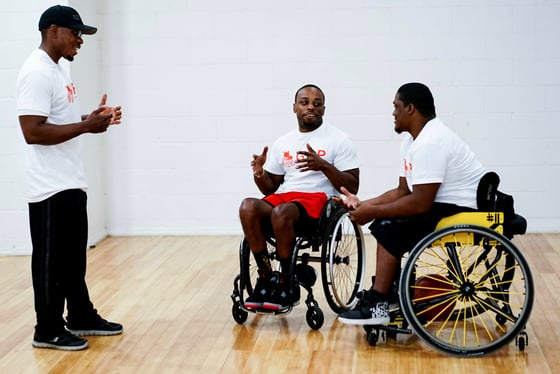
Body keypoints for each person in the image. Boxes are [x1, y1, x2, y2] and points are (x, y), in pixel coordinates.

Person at [16, 5, 123, 351]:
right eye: (76, 33)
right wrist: (85, 127)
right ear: (53, 30)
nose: (81, 40)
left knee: (73, 257)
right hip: (48, 185)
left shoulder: (60, 69)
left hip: (70, 179)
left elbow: (56, 119)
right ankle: (46, 329)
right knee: (50, 260)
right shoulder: (36, 72)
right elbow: (32, 131)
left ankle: (80, 314)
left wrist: (89, 120)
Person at [336, 82, 485, 325]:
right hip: (440, 203)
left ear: (411, 109)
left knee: (387, 225)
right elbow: (402, 191)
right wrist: (363, 205)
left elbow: (420, 203)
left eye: (396, 107)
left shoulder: (431, 142)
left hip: (461, 207)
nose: (393, 113)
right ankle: (388, 295)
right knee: (384, 220)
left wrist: (373, 212)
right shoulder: (414, 141)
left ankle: (379, 302)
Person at [239, 84, 360, 312]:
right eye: (304, 102)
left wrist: (324, 166)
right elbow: (270, 188)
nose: (310, 107)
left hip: (318, 200)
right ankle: (265, 276)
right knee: (248, 206)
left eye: (317, 103)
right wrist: (259, 172)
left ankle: (287, 280)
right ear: (294, 107)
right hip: (286, 197)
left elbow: (352, 184)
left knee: (281, 212)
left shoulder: (339, 139)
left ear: (324, 109)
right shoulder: (283, 141)